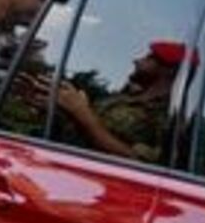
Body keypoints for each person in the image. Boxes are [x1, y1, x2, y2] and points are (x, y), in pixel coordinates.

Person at [54, 40, 186, 164]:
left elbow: (139, 163)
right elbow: (86, 134)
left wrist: (82, 114)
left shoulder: (167, 117)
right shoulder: (123, 97)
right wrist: (63, 111)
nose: (136, 61)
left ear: (169, 70)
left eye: (149, 58)